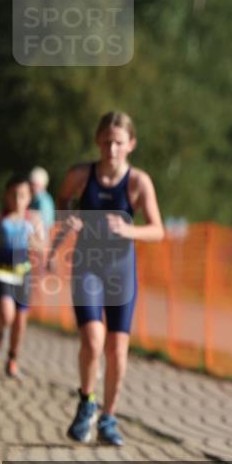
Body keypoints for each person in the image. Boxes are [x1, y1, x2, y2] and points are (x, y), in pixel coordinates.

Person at [56, 111, 164, 446]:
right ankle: (87, 401)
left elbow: (157, 230)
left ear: (131, 144)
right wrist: (69, 218)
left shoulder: (137, 182)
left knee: (117, 349)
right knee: (92, 341)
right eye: (106, 141)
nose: (111, 148)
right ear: (97, 141)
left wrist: (128, 228)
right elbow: (62, 203)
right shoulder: (79, 175)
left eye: (118, 142)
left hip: (121, 270)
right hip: (88, 265)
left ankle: (109, 418)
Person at [0, 176, 46, 377]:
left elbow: (43, 246)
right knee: (7, 314)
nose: (17, 199)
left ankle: (12, 359)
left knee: (20, 320)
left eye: (22, 195)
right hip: (3, 272)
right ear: (6, 196)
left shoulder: (33, 219)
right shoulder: (0, 217)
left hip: (23, 274)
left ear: (29, 197)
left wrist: (33, 242)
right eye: (13, 195)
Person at [28, 166, 56, 233]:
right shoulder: (45, 198)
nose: (31, 188)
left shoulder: (42, 200)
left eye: (34, 185)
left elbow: (45, 224)